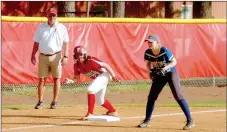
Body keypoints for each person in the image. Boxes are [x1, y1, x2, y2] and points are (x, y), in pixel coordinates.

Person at [137, 34, 195, 130]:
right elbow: (148, 63)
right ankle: (147, 121)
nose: (149, 43)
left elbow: (174, 62)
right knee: (151, 97)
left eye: (151, 41)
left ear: (157, 42)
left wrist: (165, 68)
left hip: (171, 73)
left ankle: (190, 121)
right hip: (159, 75)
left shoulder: (164, 50)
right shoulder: (148, 52)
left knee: (178, 95)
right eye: (148, 42)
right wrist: (149, 72)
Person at [65, 46, 119, 120]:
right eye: (77, 55)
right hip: (99, 78)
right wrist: (71, 81)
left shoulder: (91, 60)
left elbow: (105, 65)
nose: (79, 56)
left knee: (90, 90)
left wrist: (113, 76)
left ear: (85, 54)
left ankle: (90, 113)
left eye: (80, 54)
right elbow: (77, 78)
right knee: (100, 101)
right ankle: (113, 111)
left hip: (104, 75)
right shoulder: (77, 66)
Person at [31, 7, 69, 109]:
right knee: (42, 79)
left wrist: (65, 56)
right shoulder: (41, 27)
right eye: (50, 15)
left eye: (54, 15)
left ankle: (55, 101)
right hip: (43, 56)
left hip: (56, 56)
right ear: (46, 16)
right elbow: (36, 42)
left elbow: (66, 43)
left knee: (57, 78)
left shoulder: (62, 27)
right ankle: (40, 101)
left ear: (56, 16)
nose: (52, 17)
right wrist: (33, 54)